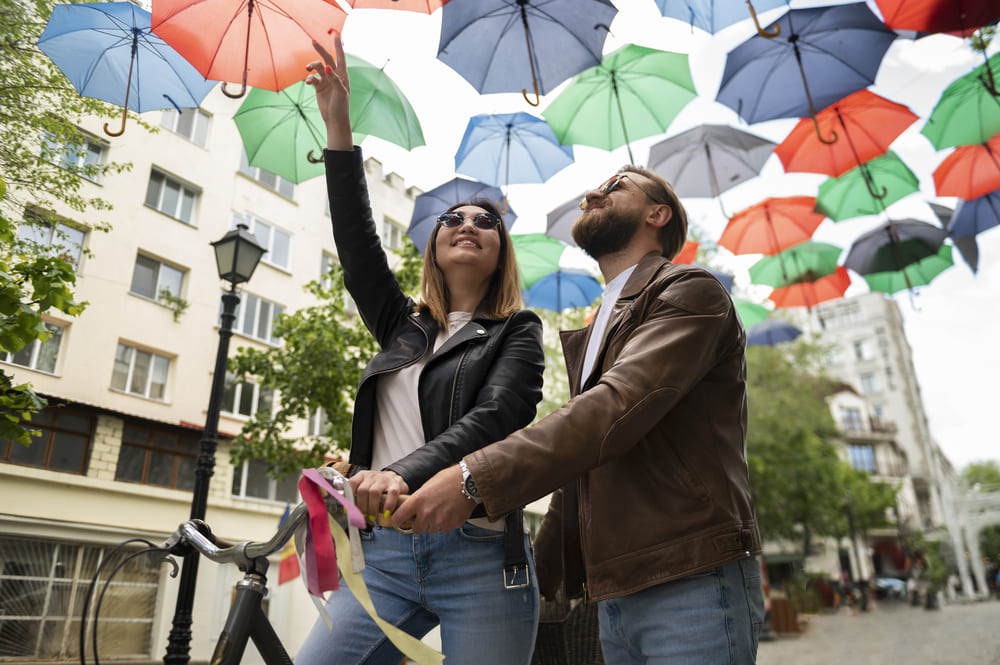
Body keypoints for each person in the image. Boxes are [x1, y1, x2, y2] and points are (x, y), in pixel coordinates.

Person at [395, 160, 766, 662]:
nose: (594, 192)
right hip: (614, 591)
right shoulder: (599, 326)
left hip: (691, 578)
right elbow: (581, 474)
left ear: (658, 214)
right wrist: (538, 579)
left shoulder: (689, 291)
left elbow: (612, 411)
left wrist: (470, 478)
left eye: (616, 186)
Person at [295, 37, 545, 665]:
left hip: (481, 554)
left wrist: (399, 470)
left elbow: (497, 416)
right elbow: (355, 245)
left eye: (486, 221)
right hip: (385, 554)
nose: (467, 224)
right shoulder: (402, 325)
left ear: (501, 252)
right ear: (433, 247)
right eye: (452, 219)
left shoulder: (517, 330)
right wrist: (339, 128)